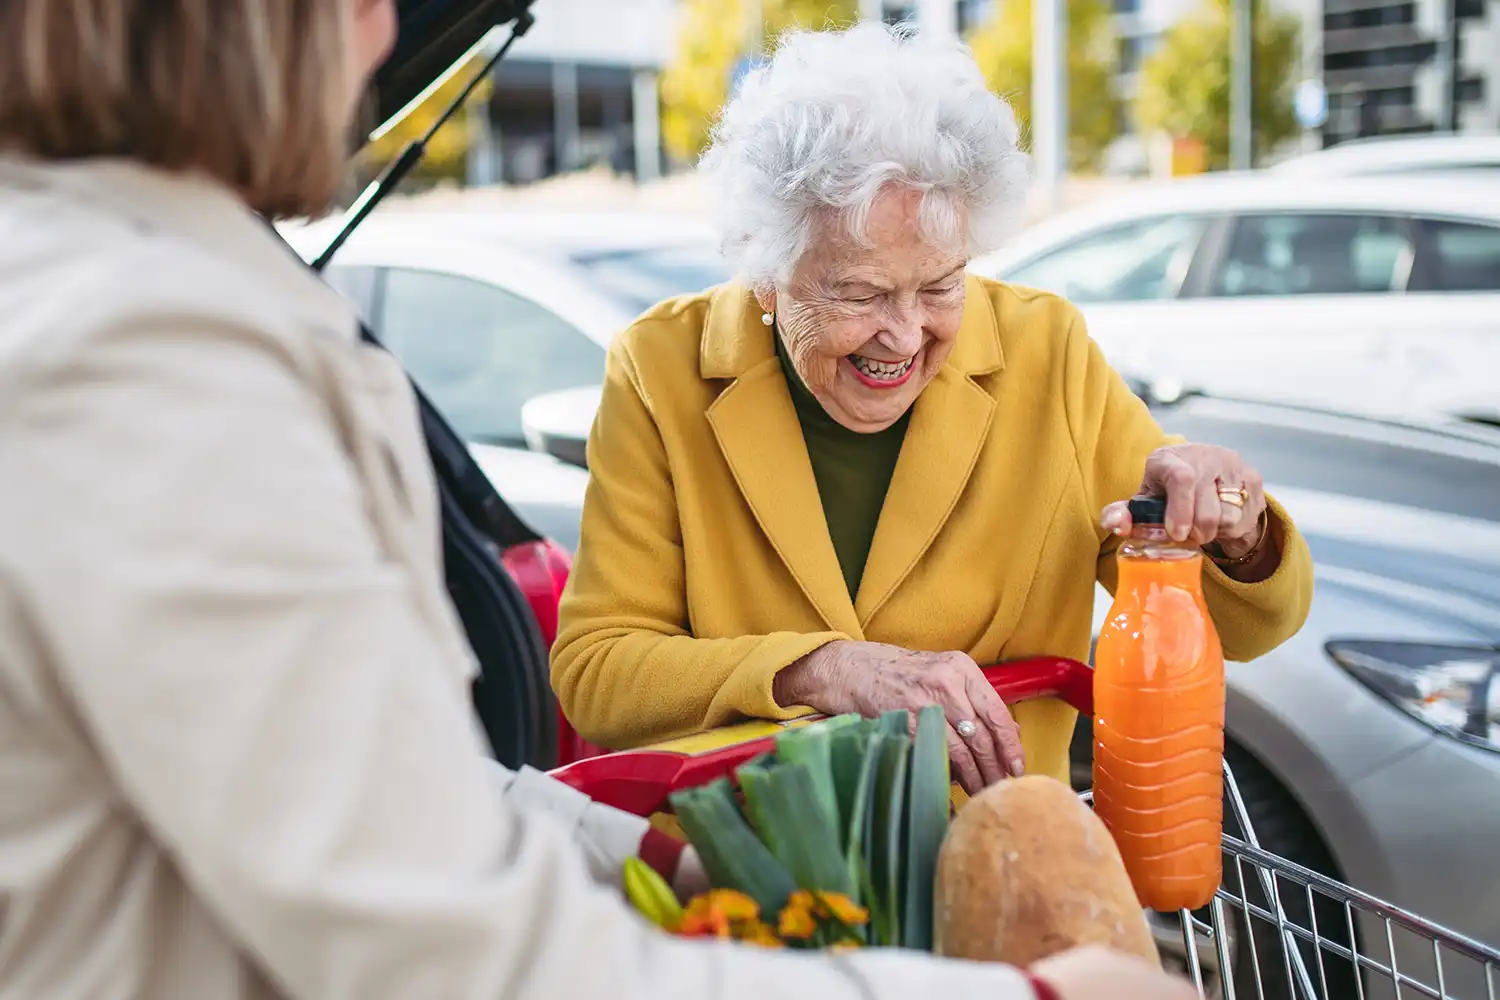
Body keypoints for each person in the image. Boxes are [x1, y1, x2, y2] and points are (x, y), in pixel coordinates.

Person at [0, 3, 1194, 1000]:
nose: (380, 30)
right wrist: (1024, 996)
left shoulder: (109, 291)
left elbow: (386, 801)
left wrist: (647, 852)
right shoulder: (143, 345)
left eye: (935, 286)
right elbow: (440, 939)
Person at [552, 21, 1315, 793]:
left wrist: (1235, 532)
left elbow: (1244, 628)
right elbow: (598, 671)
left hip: (995, 870)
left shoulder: (1044, 353)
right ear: (765, 270)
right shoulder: (660, 367)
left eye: (942, 285)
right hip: (749, 890)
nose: (907, 334)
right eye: (860, 292)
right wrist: (821, 671)